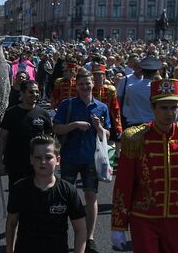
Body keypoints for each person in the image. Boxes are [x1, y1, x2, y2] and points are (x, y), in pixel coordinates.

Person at [111, 78, 178, 253]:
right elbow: (124, 184)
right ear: (153, 108)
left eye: (174, 107)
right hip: (144, 219)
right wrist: (118, 224)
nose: (170, 113)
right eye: (164, 107)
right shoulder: (135, 139)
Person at [53, 69, 110, 253]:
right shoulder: (67, 105)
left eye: (88, 83)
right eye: (81, 84)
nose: (85, 87)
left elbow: (107, 134)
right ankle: (59, 231)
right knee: (64, 196)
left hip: (91, 159)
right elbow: (57, 129)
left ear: (93, 84)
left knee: (91, 197)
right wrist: (75, 125)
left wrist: (99, 127)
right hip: (69, 156)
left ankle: (89, 237)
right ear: (76, 86)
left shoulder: (101, 107)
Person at [5, 136, 87, 253]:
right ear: (31, 159)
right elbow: (12, 222)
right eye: (38, 157)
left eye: (48, 157)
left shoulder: (68, 191)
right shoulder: (20, 188)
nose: (43, 162)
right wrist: (9, 249)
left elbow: (80, 229)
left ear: (58, 160)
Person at [0, 80, 53, 187]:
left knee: (37, 195)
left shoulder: (43, 113)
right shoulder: (11, 113)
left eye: (37, 92)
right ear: (22, 93)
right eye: (31, 92)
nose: (35, 95)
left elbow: (49, 139)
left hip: (38, 162)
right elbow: (2, 139)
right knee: (17, 197)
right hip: (15, 162)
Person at [90, 63, 123, 167]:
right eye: (95, 75)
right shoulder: (88, 89)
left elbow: (115, 110)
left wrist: (118, 126)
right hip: (91, 121)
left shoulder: (110, 90)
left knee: (107, 146)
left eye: (99, 75)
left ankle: (106, 166)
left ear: (104, 76)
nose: (97, 78)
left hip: (106, 123)